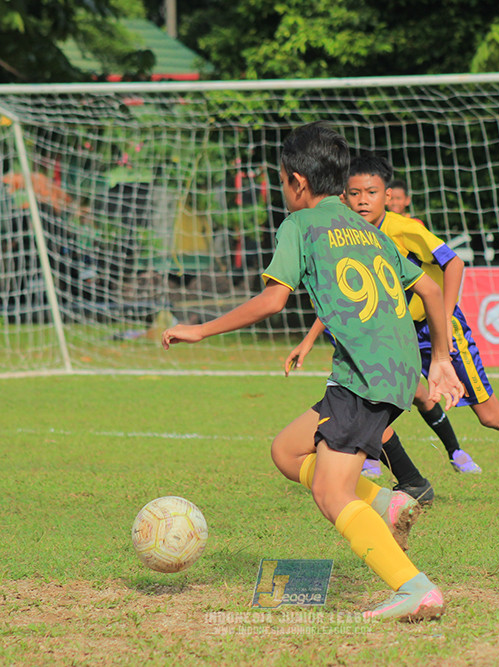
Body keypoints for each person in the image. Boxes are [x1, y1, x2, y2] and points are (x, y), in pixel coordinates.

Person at [163, 122, 465, 621]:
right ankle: (387, 504)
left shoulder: (299, 226)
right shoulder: (369, 230)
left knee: (330, 493)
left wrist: (201, 329)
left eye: (282, 182)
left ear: (298, 183)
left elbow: (273, 299)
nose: (283, 191)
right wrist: (438, 360)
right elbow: (431, 291)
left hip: (364, 376)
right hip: (391, 369)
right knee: (286, 451)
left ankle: (414, 589)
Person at [288, 152, 499, 504]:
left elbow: (454, 262)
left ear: (388, 196)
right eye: (354, 193)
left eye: (371, 192)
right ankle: (412, 481)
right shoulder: (349, 235)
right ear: (343, 195)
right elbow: (347, 295)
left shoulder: (405, 229)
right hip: (396, 333)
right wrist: (309, 339)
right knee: (373, 399)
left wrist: (443, 321)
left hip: (439, 330)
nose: (362, 201)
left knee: (490, 415)